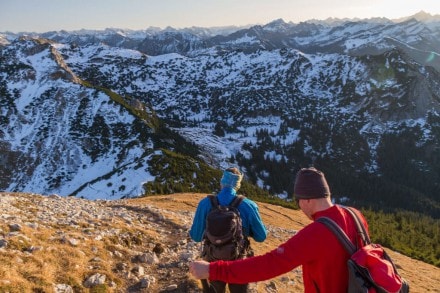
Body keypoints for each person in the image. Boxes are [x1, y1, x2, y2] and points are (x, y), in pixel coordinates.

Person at [189, 167, 370, 293]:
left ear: (307, 199)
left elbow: (271, 264)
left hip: (212, 259)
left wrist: (213, 270)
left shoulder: (315, 234)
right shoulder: (355, 215)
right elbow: (261, 236)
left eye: (298, 201)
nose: (299, 207)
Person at [189, 167, 267, 293]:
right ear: (238, 185)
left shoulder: (205, 203)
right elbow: (261, 237)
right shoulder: (249, 205)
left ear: (221, 182)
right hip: (239, 263)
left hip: (212, 260)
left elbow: (196, 236)